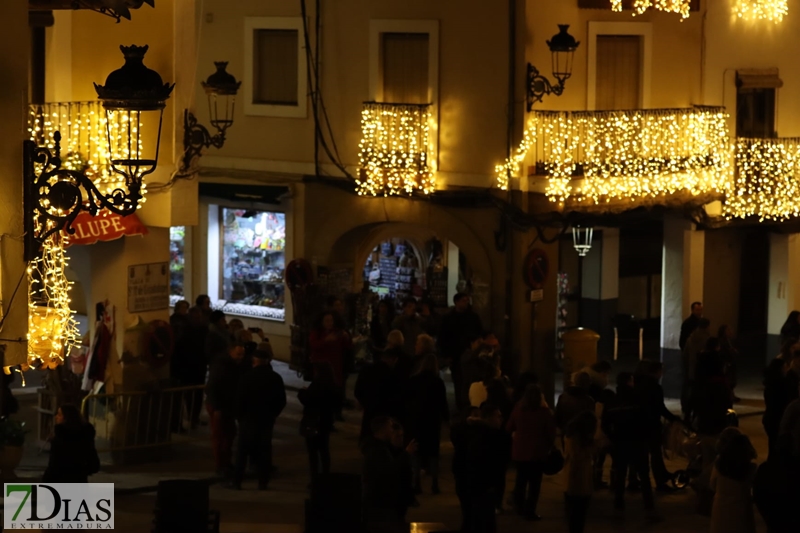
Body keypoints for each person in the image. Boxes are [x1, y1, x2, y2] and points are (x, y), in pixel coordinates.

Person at [230, 342, 285, 490]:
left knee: (243, 451)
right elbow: (281, 400)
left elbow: (239, 399)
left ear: (254, 361)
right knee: (264, 450)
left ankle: (237, 481)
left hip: (248, 419)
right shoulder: (275, 378)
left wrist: (240, 416)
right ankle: (263, 481)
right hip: (266, 419)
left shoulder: (247, 377)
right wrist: (273, 414)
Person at [603, 371, 655, 515]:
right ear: (629, 382)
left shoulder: (612, 401)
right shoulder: (638, 399)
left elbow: (605, 424)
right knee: (644, 476)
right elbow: (648, 420)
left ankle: (618, 506)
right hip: (638, 442)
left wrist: (613, 437)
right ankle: (649, 507)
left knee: (620, 475)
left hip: (620, 442)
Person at [451, 404, 507, 533]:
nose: (501, 419)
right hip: (477, 485)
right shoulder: (477, 434)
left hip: (477, 484)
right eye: (498, 416)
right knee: (476, 520)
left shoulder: (492, 434)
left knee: (473, 520)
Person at [507, 384, 555, 521]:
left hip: (520, 451)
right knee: (535, 484)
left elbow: (509, 427)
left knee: (520, 480)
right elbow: (551, 434)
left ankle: (519, 506)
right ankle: (530, 510)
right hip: (537, 453)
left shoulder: (518, 410)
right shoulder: (545, 413)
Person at [361, 416, 416, 533]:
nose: (392, 430)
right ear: (383, 429)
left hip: (383, 502)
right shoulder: (377, 450)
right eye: (390, 427)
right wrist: (406, 455)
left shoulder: (380, 448)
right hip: (381, 503)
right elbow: (388, 471)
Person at [406, 353, 448, 495]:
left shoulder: (414, 380)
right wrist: (447, 420)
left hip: (416, 420)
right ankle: (434, 484)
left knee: (417, 452)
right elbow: (443, 403)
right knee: (433, 453)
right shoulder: (438, 382)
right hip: (433, 421)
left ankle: (417, 482)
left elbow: (407, 400)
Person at [634, 359, 679, 492]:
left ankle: (640, 479)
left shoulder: (638, 385)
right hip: (652, 425)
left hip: (639, 423)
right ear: (657, 372)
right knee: (655, 454)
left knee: (643, 454)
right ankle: (660, 482)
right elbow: (660, 408)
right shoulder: (655, 387)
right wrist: (673, 419)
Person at [206, 341, 246, 476]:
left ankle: (226, 463)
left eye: (242, 354)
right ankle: (221, 465)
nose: (241, 357)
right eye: (238, 354)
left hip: (227, 405)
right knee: (220, 436)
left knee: (229, 434)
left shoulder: (231, 365)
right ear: (231, 352)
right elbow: (212, 387)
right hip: (220, 406)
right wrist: (216, 408)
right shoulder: (221, 366)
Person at [438, 293, 483, 412]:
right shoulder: (448, 319)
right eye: (463, 300)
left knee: (470, 381)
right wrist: (446, 356)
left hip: (470, 355)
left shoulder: (473, 317)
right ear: (456, 302)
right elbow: (443, 338)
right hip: (455, 356)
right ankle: (461, 407)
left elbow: (479, 333)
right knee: (458, 382)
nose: (466, 303)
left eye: (467, 300)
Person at [354, 341, 404, 443]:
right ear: (392, 359)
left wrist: (364, 402)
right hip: (383, 412)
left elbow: (358, 390)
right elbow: (396, 395)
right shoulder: (391, 375)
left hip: (369, 409)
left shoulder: (366, 370)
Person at [299, 361, 339, 486]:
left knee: (313, 452)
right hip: (326, 422)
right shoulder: (333, 386)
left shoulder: (316, 386)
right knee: (324, 450)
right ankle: (326, 476)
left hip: (313, 421)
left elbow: (308, 400)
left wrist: (301, 393)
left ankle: (315, 478)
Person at [710, 433, 758, 533]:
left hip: (720, 507)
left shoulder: (719, 465)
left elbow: (712, 485)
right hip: (742, 509)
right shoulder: (750, 468)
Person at [309, 311, 352, 418]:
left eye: (331, 321)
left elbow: (346, 347)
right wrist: (325, 340)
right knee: (322, 393)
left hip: (335, 367)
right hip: (321, 368)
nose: (330, 323)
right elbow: (314, 346)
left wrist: (347, 338)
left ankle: (334, 414)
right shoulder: (317, 333)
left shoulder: (338, 333)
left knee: (335, 392)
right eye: (327, 321)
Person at [42, 405, 100, 483]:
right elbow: (93, 462)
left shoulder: (60, 437)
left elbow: (54, 465)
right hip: (79, 481)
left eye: (59, 415)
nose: (56, 417)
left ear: (67, 418)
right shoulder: (85, 435)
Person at [563, 411, 597, 533]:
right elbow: (577, 455)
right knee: (577, 514)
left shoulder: (572, 435)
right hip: (577, 479)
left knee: (576, 515)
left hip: (577, 480)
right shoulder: (575, 438)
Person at [682, 318, 711, 422]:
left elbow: (685, 355)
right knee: (701, 394)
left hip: (692, 370)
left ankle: (687, 413)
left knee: (692, 393)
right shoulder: (706, 339)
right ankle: (698, 415)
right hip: (703, 372)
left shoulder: (691, 337)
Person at [763, 356, 792, 459]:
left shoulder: (770, 383)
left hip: (769, 418)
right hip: (777, 419)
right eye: (784, 367)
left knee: (772, 445)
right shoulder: (781, 384)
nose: (786, 369)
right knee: (777, 446)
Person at [555, 372, 596, 436]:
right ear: (587, 384)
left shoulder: (563, 397)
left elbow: (558, 417)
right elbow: (591, 421)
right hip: (582, 435)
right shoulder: (588, 400)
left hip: (566, 433)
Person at [718, 325, 740, 402]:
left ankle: (731, 394)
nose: (730, 331)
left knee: (732, 380)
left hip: (731, 362)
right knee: (728, 380)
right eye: (728, 330)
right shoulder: (722, 341)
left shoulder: (729, 341)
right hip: (727, 363)